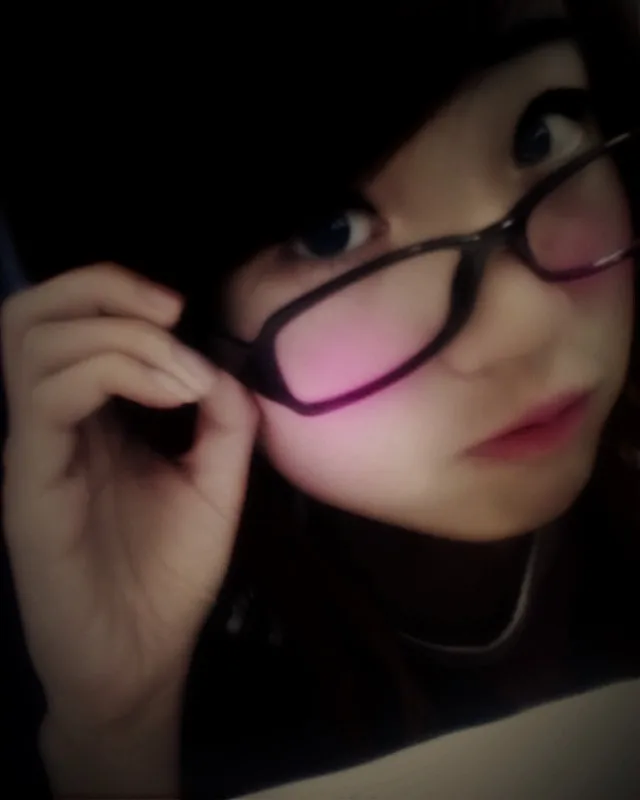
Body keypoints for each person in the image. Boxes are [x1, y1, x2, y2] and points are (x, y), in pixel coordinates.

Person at [1, 0, 640, 797]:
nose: (525, 321)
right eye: (329, 231)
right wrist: (116, 736)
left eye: (540, 133)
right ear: (169, 332)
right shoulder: (89, 588)